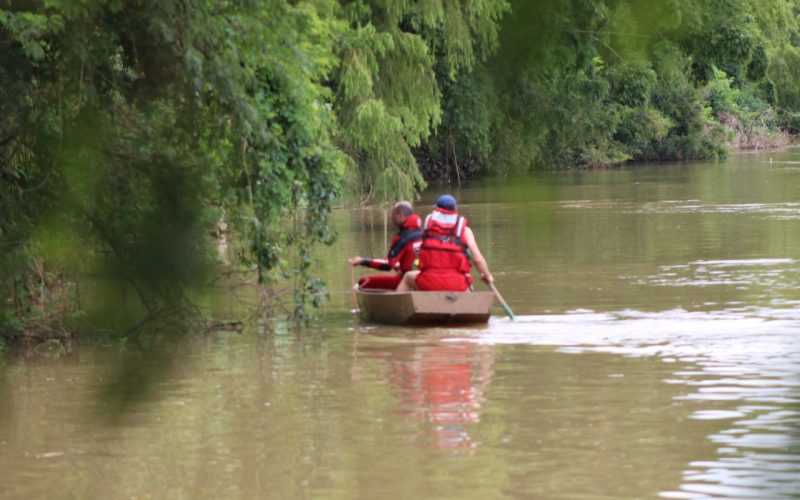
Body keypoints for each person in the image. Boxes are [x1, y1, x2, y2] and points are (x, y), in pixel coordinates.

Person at [397, 194, 493, 292]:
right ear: (455, 209)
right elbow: (477, 260)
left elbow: (417, 249)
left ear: (436, 209)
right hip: (456, 283)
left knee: (407, 277)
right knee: (468, 283)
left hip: (428, 281)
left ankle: (396, 306)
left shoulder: (427, 226)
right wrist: (486, 274)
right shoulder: (465, 230)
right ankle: (467, 306)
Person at [348, 201, 423, 289]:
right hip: (425, 277)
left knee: (364, 281)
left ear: (400, 214)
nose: (391, 218)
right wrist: (400, 265)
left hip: (407, 280)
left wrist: (362, 261)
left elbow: (387, 265)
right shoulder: (425, 232)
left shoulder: (403, 237)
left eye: (393, 214)